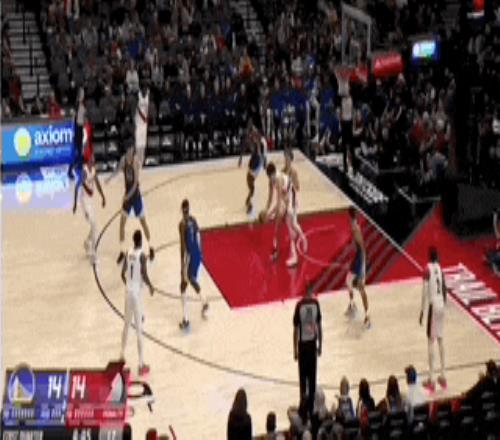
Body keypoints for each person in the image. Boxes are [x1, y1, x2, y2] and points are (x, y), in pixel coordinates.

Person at [106, 141, 154, 264]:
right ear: (127, 150)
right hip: (128, 197)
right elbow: (118, 170)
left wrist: (127, 196)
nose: (131, 151)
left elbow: (135, 183)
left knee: (143, 223)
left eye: (132, 149)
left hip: (135, 196)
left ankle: (151, 247)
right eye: (129, 149)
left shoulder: (135, 162)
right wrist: (110, 178)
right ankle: (122, 251)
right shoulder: (123, 160)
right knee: (121, 224)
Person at [119, 230, 154, 376]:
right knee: (139, 329)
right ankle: (141, 364)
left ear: (134, 240)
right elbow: (144, 274)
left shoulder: (128, 253)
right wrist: (151, 286)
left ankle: (121, 355)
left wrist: (129, 285)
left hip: (128, 293)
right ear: (141, 241)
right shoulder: (142, 256)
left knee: (126, 325)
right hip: (136, 295)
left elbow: (122, 274)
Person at [264, 158, 307, 267]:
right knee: (290, 225)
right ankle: (296, 252)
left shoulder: (278, 179)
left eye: (270, 176)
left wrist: (271, 216)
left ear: (273, 173)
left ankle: (302, 240)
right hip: (286, 198)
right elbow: (270, 199)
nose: (270, 178)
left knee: (291, 223)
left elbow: (278, 201)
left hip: (292, 197)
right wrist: (266, 211)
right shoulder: (271, 181)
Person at [419, 246, 447, 392]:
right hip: (441, 304)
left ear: (428, 256)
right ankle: (443, 375)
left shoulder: (427, 269)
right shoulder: (440, 268)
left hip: (433, 306)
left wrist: (422, 311)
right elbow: (445, 288)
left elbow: (424, 293)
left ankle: (431, 379)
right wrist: (444, 304)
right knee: (441, 339)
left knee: (431, 341)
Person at [179, 199, 209, 330]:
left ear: (181, 210)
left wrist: (182, 264)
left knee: (185, 283)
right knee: (188, 282)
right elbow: (198, 236)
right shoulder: (193, 220)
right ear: (189, 209)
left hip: (190, 255)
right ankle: (202, 303)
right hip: (197, 253)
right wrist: (200, 252)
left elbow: (182, 245)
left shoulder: (182, 224)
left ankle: (187, 318)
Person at [293, 283, 322, 420]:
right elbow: (319, 327)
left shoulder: (299, 305)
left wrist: (295, 349)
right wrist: (320, 345)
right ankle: (311, 408)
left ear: (304, 291)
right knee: (312, 378)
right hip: (312, 345)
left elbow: (296, 330)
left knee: (303, 379)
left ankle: (303, 409)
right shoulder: (316, 304)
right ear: (312, 291)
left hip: (303, 345)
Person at [72, 153, 105, 263]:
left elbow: (98, 184)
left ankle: (87, 242)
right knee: (94, 226)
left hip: (90, 201)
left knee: (94, 226)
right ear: (88, 161)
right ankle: (93, 254)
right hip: (84, 202)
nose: (93, 161)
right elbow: (76, 187)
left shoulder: (93, 170)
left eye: (94, 159)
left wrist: (103, 196)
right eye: (92, 159)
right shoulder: (84, 172)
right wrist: (75, 205)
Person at [345, 206, 370, 328]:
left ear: (349, 216)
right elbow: (357, 246)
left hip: (360, 261)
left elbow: (362, 247)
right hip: (357, 259)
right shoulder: (353, 226)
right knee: (348, 281)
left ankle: (367, 317)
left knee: (361, 288)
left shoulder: (355, 228)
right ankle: (352, 305)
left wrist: (362, 268)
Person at [241, 124, 267, 214]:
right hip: (255, 166)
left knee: (252, 189)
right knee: (252, 189)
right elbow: (262, 155)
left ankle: (249, 203)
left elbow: (262, 155)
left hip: (255, 166)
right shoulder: (257, 143)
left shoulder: (261, 143)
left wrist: (264, 164)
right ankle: (248, 203)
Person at [68, 87, 86, 179]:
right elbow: (75, 119)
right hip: (77, 129)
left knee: (80, 152)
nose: (83, 94)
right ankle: (70, 170)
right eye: (82, 93)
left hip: (80, 129)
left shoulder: (82, 105)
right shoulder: (77, 105)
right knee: (76, 152)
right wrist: (73, 130)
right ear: (80, 95)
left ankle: (78, 169)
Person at [135, 82, 150, 168]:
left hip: (144, 123)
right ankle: (137, 161)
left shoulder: (147, 96)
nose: (145, 90)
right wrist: (143, 117)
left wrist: (147, 118)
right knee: (138, 142)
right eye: (144, 89)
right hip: (139, 122)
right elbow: (138, 109)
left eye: (146, 89)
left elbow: (147, 109)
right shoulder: (138, 96)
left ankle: (142, 161)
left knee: (143, 142)